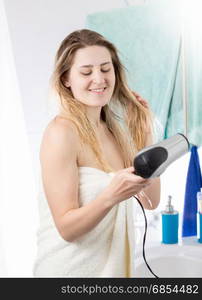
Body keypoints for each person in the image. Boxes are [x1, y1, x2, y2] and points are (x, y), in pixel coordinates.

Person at [33, 29, 160, 278]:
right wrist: (111, 195)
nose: (99, 79)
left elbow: (151, 201)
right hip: (67, 273)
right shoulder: (61, 133)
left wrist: (144, 132)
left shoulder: (115, 131)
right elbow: (66, 229)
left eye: (105, 68)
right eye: (86, 72)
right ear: (66, 79)